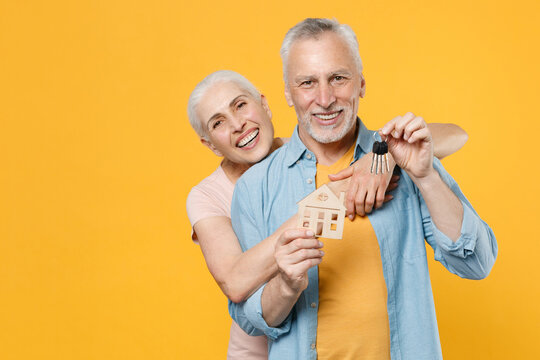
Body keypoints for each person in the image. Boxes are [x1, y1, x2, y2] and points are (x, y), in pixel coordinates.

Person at [228, 18, 497, 360]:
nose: (325, 99)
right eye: (307, 82)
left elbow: (477, 263)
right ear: (288, 93)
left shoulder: (405, 157)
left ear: (361, 84)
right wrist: (285, 286)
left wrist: (426, 176)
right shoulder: (255, 187)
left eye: (338, 78)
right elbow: (249, 318)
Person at [186, 71, 468, 358]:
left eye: (240, 105)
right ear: (208, 143)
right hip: (258, 350)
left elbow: (455, 135)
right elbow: (234, 281)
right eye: (218, 122)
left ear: (264, 104)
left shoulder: (314, 147)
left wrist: (384, 155)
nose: (237, 125)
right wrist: (337, 195)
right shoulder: (208, 195)